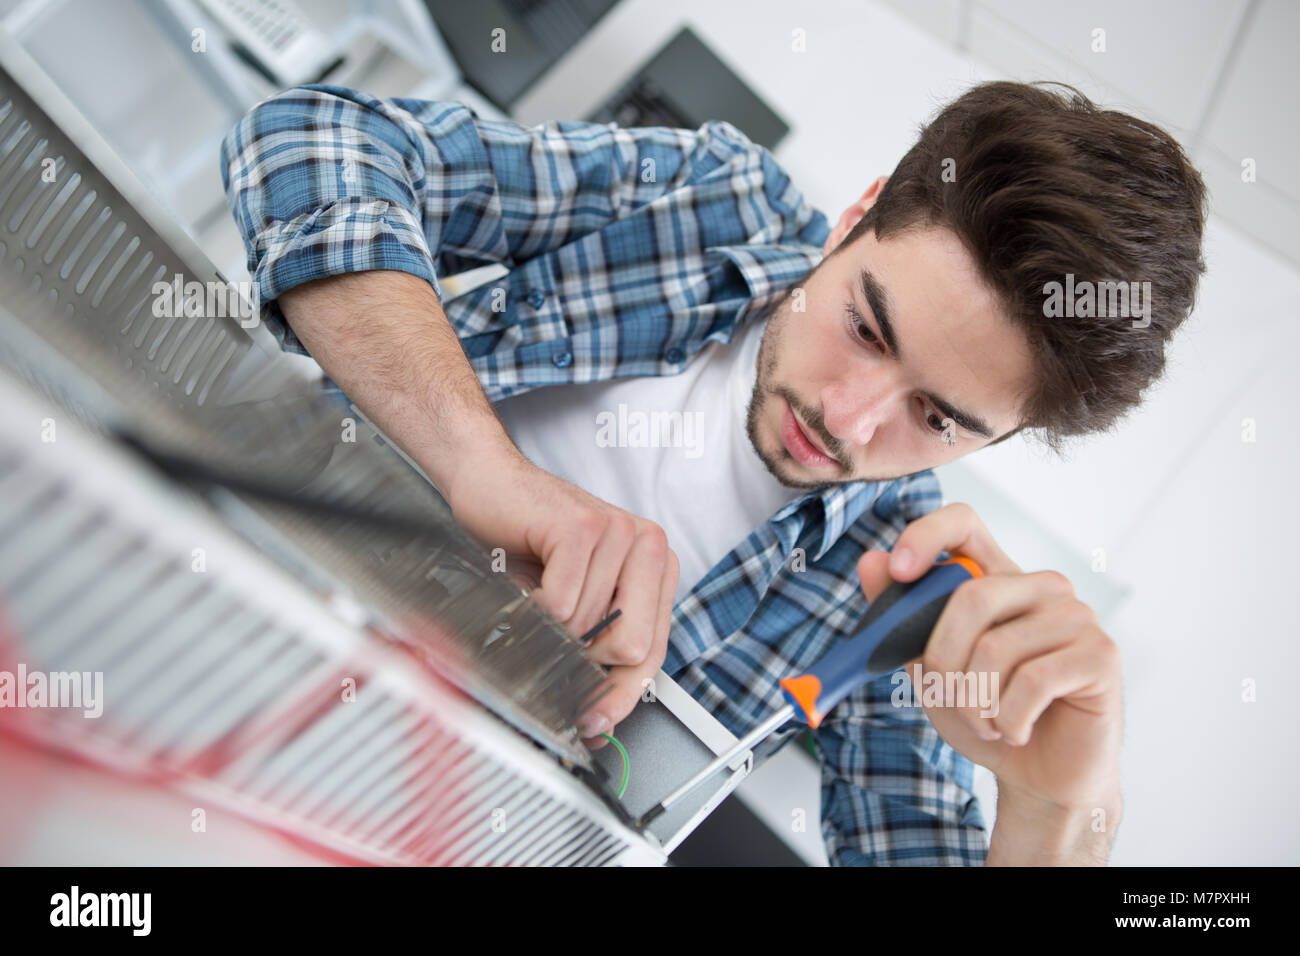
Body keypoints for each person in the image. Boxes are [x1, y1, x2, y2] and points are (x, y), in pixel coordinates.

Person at [219, 79, 1207, 865]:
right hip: (219, 580)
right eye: (865, 327)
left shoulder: (901, 591)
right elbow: (307, 140)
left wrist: (1054, 812)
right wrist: (477, 462)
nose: (847, 418)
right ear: (855, 216)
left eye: (937, 416)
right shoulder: (705, 199)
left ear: (993, 444)